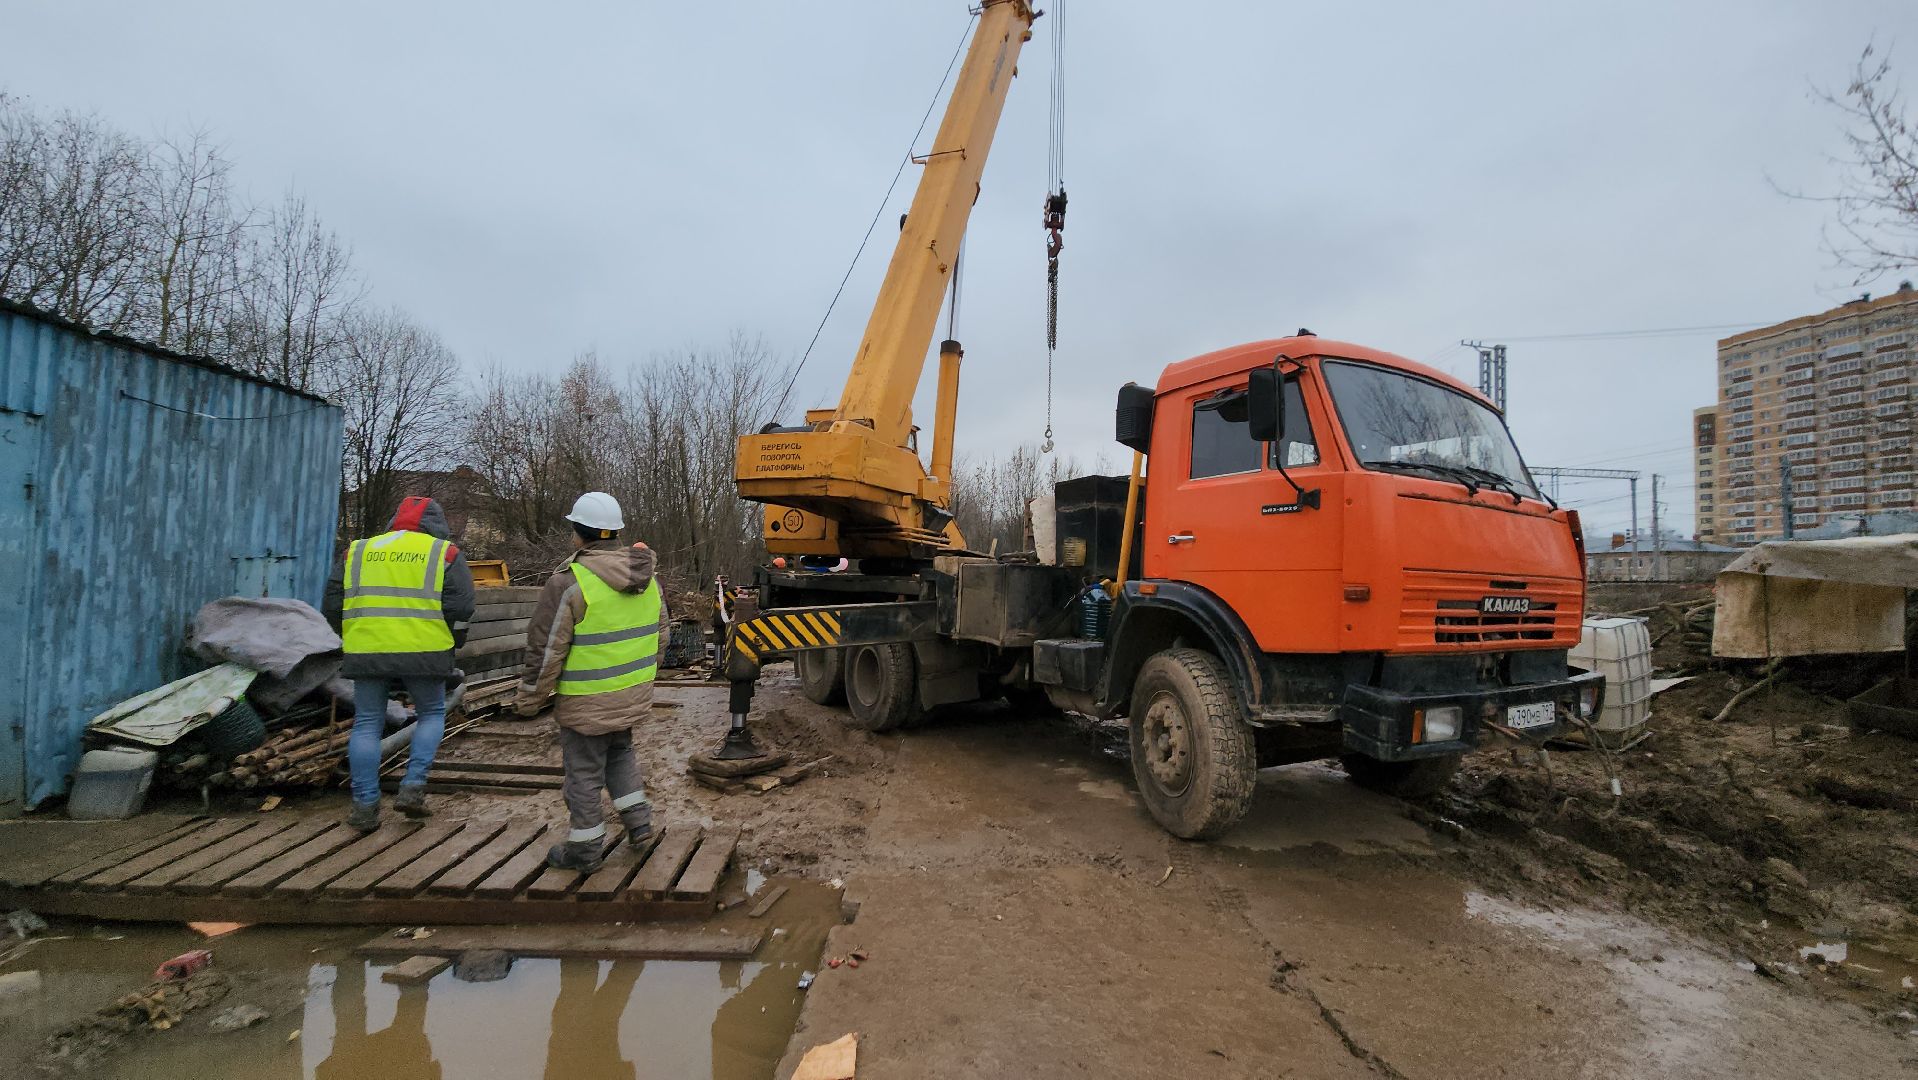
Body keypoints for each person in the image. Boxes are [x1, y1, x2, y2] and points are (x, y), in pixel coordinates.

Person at [515, 491, 663, 872]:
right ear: (616, 533)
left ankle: (585, 849)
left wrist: (530, 699)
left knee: (583, 773)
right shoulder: (648, 580)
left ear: (577, 534)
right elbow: (661, 637)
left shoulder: (569, 583)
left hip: (586, 702)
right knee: (621, 755)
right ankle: (640, 826)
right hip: (629, 697)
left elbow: (545, 651)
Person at [322, 496, 475, 832]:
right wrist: (451, 642)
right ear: (437, 524)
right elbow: (462, 607)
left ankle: (364, 805)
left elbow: (333, 602)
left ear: (393, 520)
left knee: (367, 722)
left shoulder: (356, 551)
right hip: (425, 651)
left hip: (367, 649)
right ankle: (412, 786)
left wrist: (350, 636)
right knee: (432, 713)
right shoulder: (445, 553)